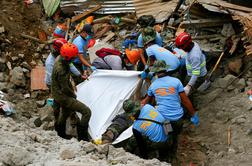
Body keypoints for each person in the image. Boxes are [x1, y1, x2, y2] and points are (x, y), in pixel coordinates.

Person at [141, 60, 199, 155]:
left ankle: (166, 155)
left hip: (164, 119)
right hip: (177, 118)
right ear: (166, 69)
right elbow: (185, 100)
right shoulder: (176, 81)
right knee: (175, 136)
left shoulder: (153, 85)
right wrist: (193, 114)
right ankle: (174, 151)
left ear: (155, 72)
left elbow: (146, 101)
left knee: (167, 135)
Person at [51, 43, 91, 141]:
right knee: (86, 112)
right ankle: (83, 138)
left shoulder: (60, 59)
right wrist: (73, 95)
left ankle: (60, 133)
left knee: (64, 112)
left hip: (56, 92)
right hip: (62, 95)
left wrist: (78, 76)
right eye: (73, 57)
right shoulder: (61, 69)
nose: (74, 59)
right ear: (68, 58)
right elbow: (65, 88)